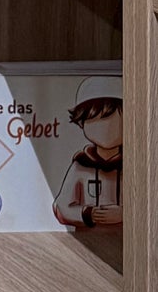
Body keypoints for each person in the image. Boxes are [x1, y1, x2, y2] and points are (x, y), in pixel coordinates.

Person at [52, 82, 123, 231]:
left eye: (115, 121)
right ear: (82, 123)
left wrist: (125, 214)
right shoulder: (81, 165)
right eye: (95, 120)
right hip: (87, 240)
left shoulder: (135, 166)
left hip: (128, 240)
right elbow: (61, 207)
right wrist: (89, 214)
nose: (106, 128)